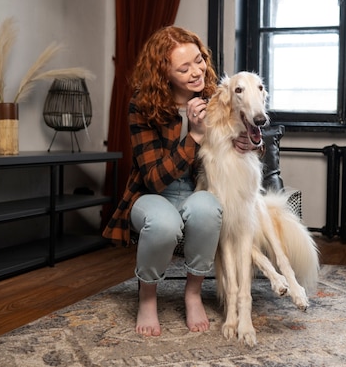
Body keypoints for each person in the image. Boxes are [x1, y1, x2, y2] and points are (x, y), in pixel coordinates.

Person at [103, 26, 253, 337]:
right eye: (184, 68)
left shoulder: (215, 98)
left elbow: (253, 120)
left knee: (208, 209)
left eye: (198, 60)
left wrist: (253, 142)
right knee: (164, 223)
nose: (197, 72)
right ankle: (147, 297)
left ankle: (193, 293)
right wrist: (195, 134)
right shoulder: (142, 105)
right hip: (151, 195)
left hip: (198, 189)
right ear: (163, 73)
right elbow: (155, 179)